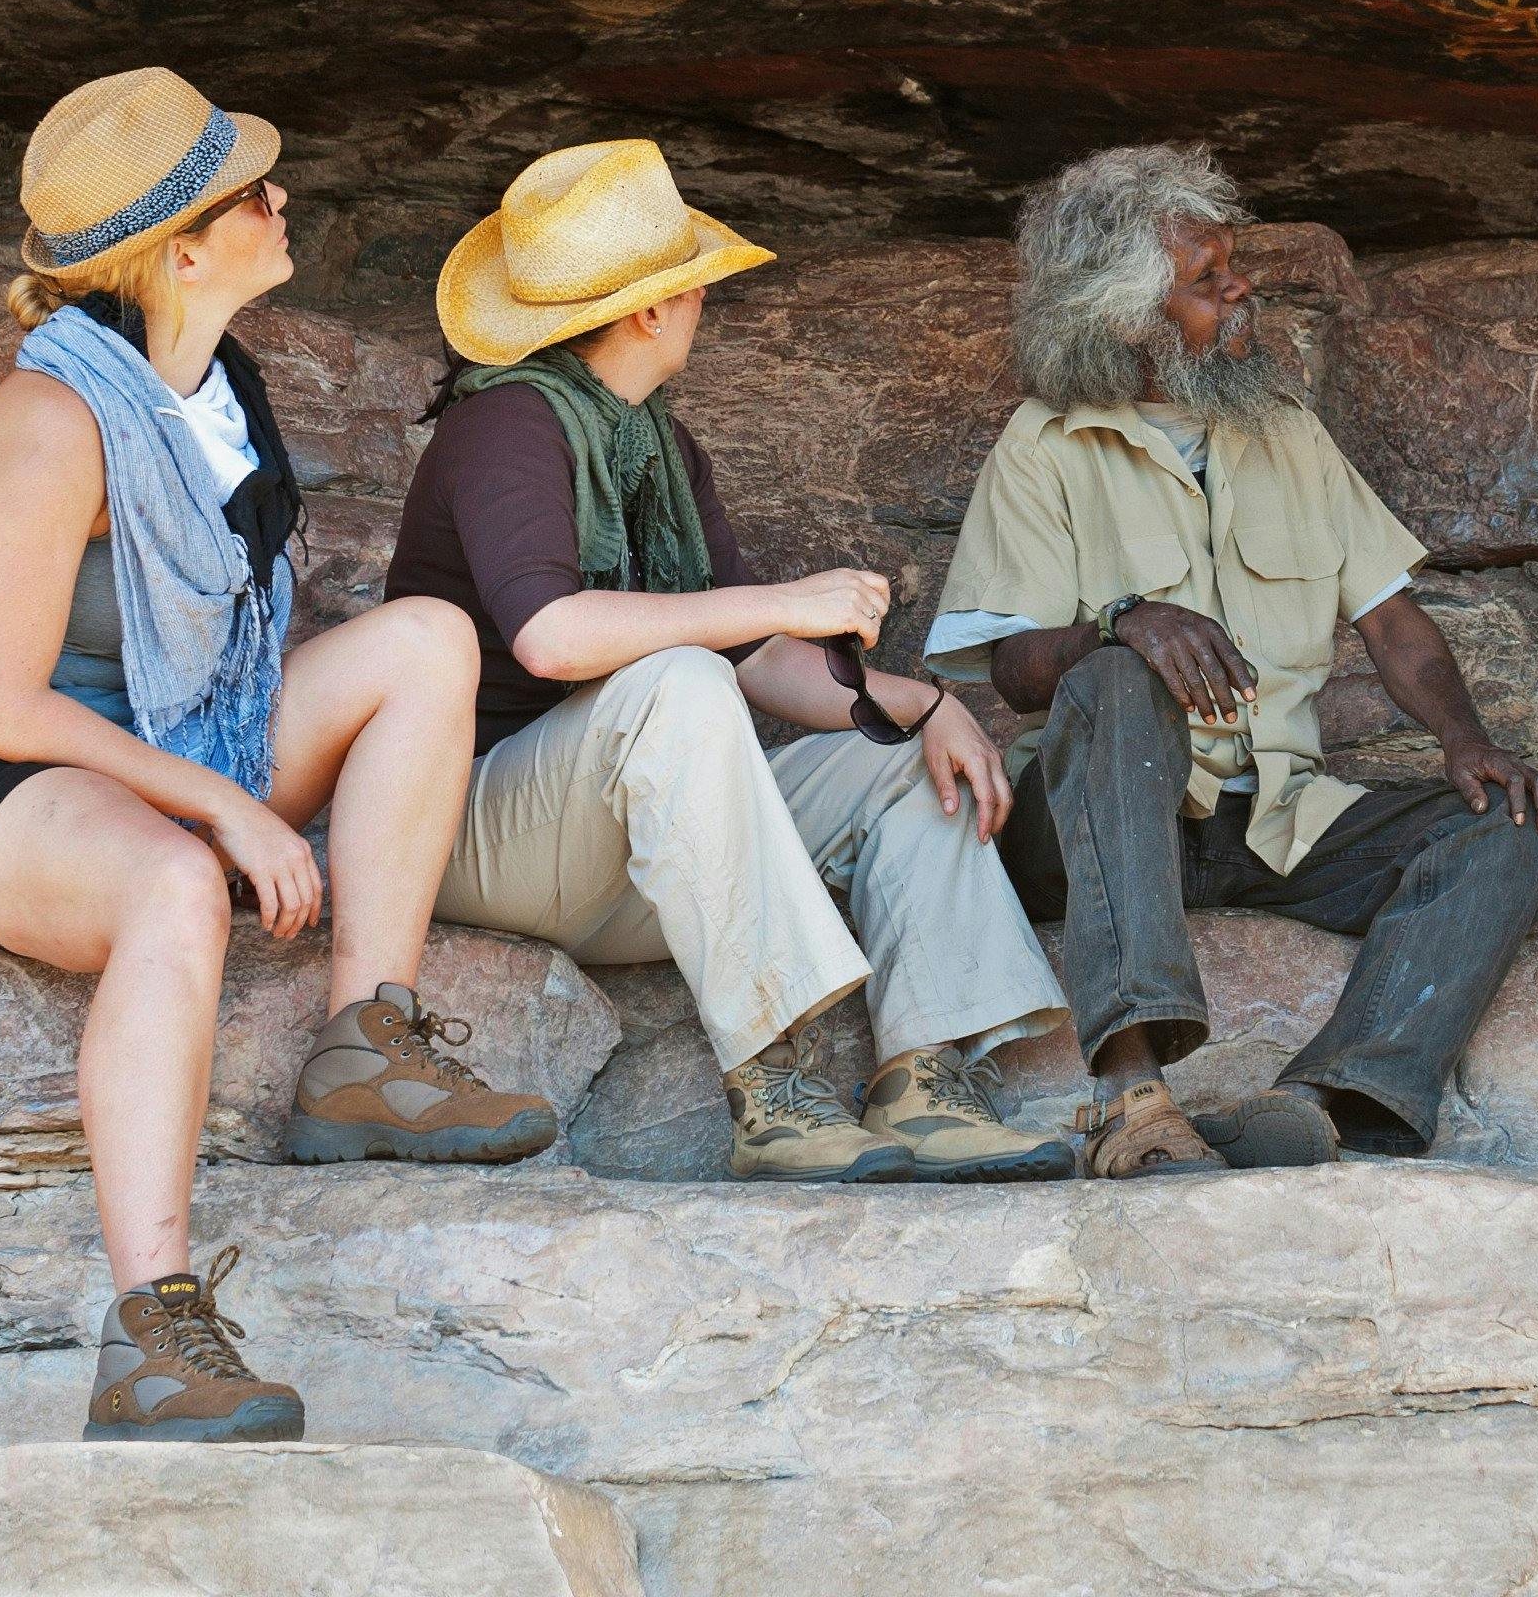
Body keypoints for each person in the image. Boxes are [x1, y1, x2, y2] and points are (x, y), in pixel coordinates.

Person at [0, 69, 545, 1449]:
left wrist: (221, 782)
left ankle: (368, 1047)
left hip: (167, 739)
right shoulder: (52, 426)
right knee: (171, 885)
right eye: (253, 192)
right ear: (179, 247)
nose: (285, 202)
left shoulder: (215, 391)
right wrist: (230, 809)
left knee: (425, 643)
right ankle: (154, 1332)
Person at [390, 137, 1073, 1182]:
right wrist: (784, 599)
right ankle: (775, 1088)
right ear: (651, 309)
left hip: (623, 846)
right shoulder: (507, 424)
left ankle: (924, 1078)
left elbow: (754, 655)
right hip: (482, 831)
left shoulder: (652, 441)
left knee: (899, 754)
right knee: (675, 678)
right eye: (693, 286)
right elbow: (552, 635)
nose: (704, 304)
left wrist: (923, 705)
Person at [928, 144, 1538, 1180]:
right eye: (1205, 280)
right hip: (1103, 820)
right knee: (1111, 677)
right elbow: (1013, 674)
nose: (1240, 291)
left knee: (1514, 827)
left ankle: (1328, 1096)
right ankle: (1134, 1098)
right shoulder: (1043, 446)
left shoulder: (1283, 432)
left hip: (1271, 818)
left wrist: (1465, 742)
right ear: (1127, 316)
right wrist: (1121, 622)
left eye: (1233, 266)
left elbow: (1393, 622)